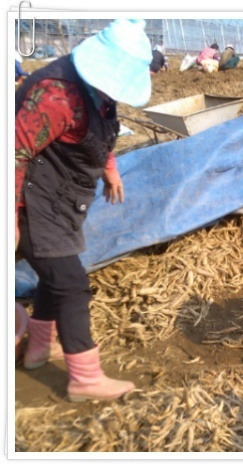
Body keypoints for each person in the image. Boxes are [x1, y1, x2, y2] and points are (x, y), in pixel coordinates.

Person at [15, 19, 152, 402]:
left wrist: (110, 169)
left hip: (60, 196)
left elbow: (100, 130)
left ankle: (39, 349)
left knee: (54, 277)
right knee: (72, 283)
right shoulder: (54, 95)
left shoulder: (97, 92)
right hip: (32, 200)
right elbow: (13, 153)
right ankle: (85, 379)